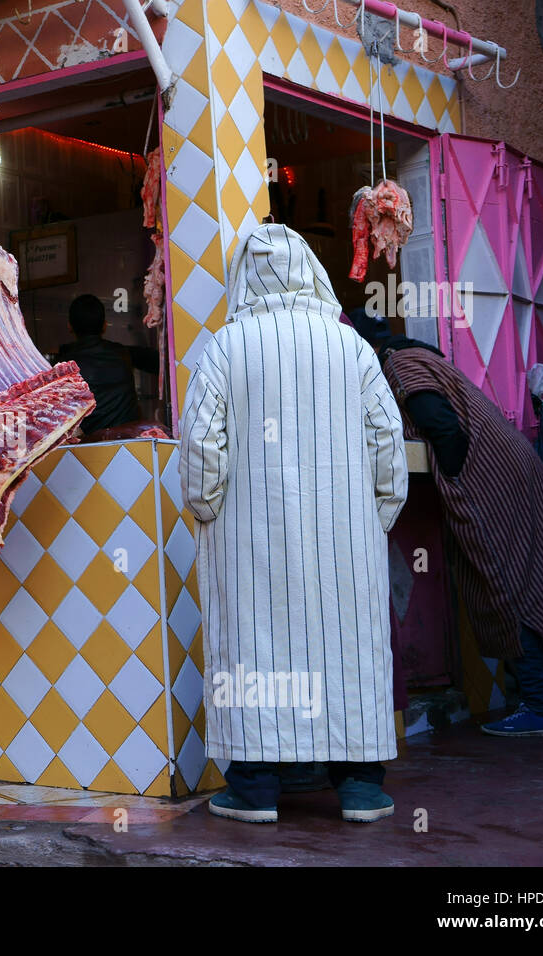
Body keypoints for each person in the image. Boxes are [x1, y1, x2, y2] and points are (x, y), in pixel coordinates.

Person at [180, 224, 408, 824]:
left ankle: (254, 790)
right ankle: (360, 788)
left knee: (255, 650)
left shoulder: (226, 346)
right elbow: (389, 440)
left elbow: (201, 445)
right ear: (311, 271)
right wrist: (374, 517)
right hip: (346, 541)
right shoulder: (352, 347)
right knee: (349, 649)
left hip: (250, 539)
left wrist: (208, 510)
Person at [351, 314, 543, 736]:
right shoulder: (422, 356)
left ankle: (541, 708)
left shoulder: (399, 367)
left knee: (504, 585)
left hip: (488, 480)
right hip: (516, 470)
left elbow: (443, 428)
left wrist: (456, 479)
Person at [58, 294, 159, 434]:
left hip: (84, 449)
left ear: (69, 326)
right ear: (105, 326)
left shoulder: (60, 367)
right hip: (126, 446)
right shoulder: (124, 354)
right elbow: (164, 363)